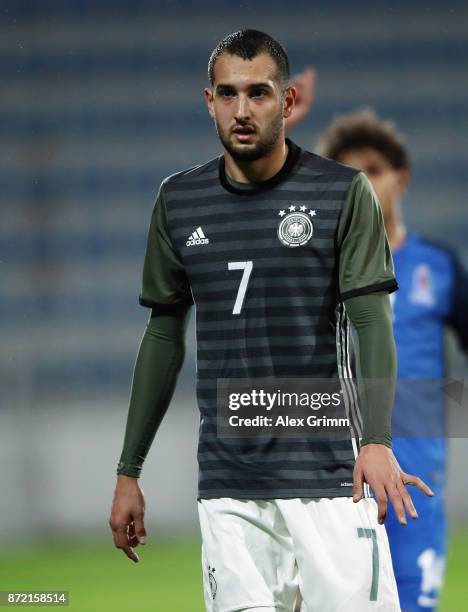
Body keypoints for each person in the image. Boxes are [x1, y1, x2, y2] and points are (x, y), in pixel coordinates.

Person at [109, 31, 433, 612]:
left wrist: (378, 441)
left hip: (332, 474)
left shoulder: (340, 192)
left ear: (285, 103)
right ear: (208, 100)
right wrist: (129, 471)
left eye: (258, 93)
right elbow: (163, 335)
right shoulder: (178, 200)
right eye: (228, 94)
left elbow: (371, 321)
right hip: (229, 485)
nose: (241, 110)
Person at [316, 108, 468, 612]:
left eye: (373, 170)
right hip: (332, 479)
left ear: (400, 178)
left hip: (417, 480)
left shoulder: (438, 266)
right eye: (347, 173)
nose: (361, 184)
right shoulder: (315, 266)